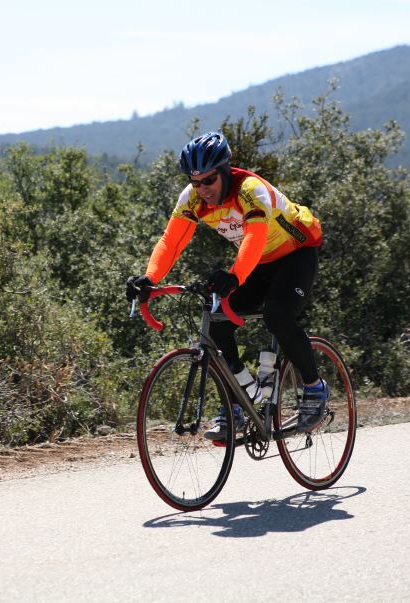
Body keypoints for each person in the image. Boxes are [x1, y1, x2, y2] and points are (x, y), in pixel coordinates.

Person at [126, 131, 328, 441]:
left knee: (278, 315)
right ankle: (239, 403)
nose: (202, 189)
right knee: (217, 325)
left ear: (223, 172)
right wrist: (150, 279)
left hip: (296, 254)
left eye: (209, 180)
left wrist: (234, 275)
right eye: (195, 182)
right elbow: (172, 241)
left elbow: (254, 237)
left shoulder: (250, 190)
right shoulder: (192, 199)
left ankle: (315, 389)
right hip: (259, 263)